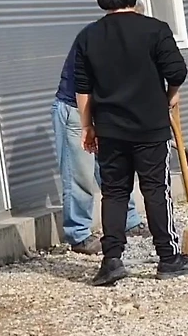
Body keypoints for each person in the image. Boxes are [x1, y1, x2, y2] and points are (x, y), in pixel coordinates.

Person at [73, 0, 188, 286]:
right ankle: (168, 258)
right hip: (150, 127)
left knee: (114, 193)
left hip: (110, 130)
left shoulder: (88, 36)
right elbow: (177, 71)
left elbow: (82, 88)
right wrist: (170, 96)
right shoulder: (155, 30)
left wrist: (88, 127)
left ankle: (112, 260)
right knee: (155, 190)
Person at [51, 40, 147, 256]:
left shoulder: (128, 40)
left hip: (102, 111)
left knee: (114, 169)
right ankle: (79, 235)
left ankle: (129, 221)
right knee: (79, 176)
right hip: (75, 110)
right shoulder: (96, 40)